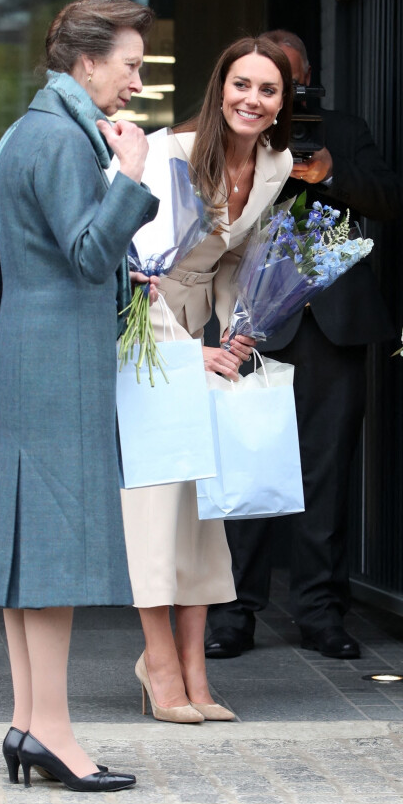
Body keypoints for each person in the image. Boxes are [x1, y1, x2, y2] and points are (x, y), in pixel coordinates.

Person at [0, 0, 159, 792]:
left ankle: (32, 726)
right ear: (86, 62)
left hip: (33, 349)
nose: (137, 82)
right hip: (58, 358)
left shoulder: (32, 132)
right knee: (53, 552)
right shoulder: (63, 139)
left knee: (29, 553)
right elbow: (84, 254)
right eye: (131, 65)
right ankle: (54, 734)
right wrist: (133, 177)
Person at [206, 30, 401, 661]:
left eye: (284, 82)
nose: (271, 94)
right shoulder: (235, 130)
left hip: (333, 324)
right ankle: (234, 613)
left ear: (305, 79)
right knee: (249, 463)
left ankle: (320, 612)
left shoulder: (344, 130)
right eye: (260, 81)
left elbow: (389, 199)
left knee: (326, 472)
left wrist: (331, 174)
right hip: (254, 322)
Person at [121, 37, 293, 723]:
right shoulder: (165, 155)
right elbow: (134, 268)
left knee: (202, 504)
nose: (252, 99)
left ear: (283, 103)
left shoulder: (276, 165)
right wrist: (185, 354)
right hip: (146, 333)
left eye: (268, 90)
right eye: (241, 84)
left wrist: (239, 328)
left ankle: (195, 669)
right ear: (219, 87)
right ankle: (157, 662)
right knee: (158, 501)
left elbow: (235, 261)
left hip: (204, 337)